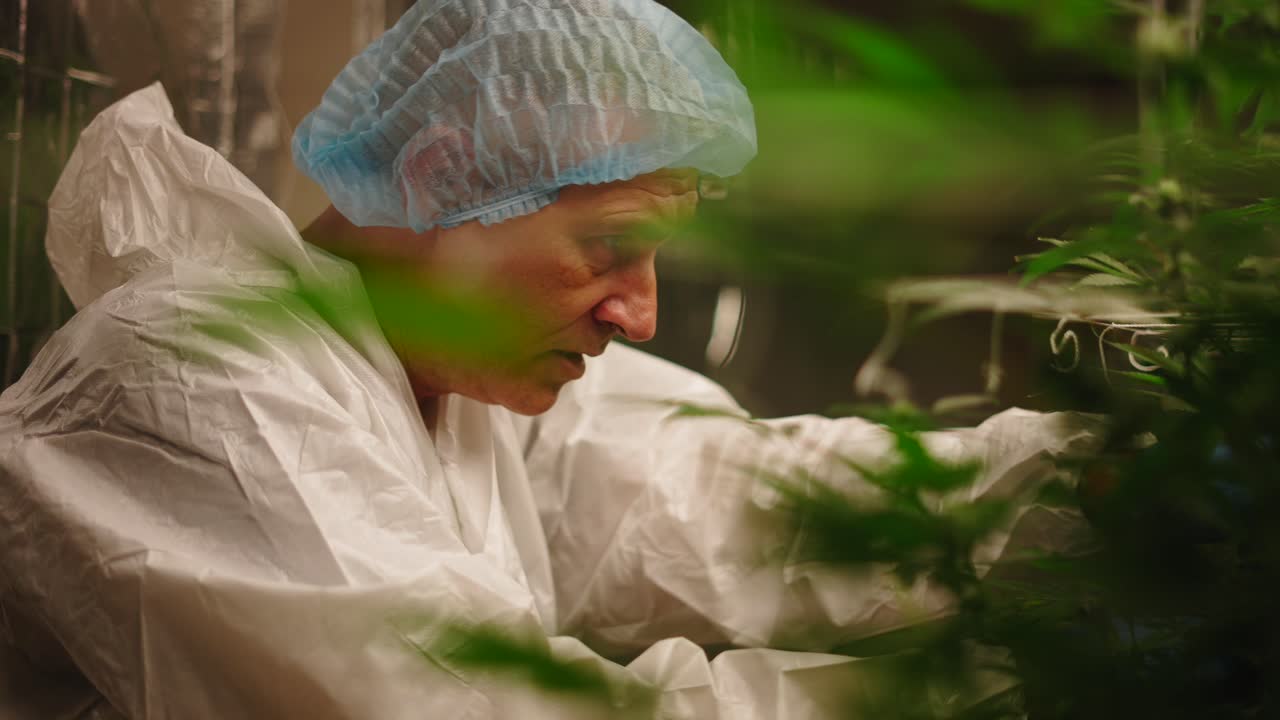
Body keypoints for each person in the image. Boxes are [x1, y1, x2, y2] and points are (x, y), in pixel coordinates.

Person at [0, 0, 1099, 718]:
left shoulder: (448, 371)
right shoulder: (191, 385)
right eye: (609, 248)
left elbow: (730, 504)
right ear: (439, 179)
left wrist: (1094, 482)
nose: (640, 316)